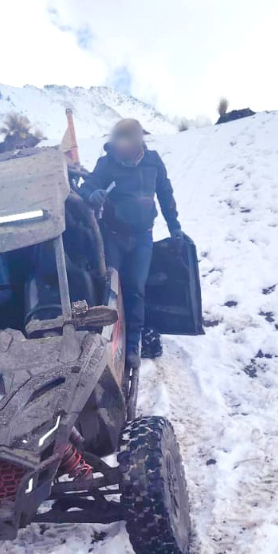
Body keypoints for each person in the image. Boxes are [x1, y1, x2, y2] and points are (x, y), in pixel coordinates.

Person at [78, 118, 184, 368]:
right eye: (119, 141)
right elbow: (87, 188)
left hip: (142, 238)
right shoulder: (106, 164)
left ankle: (132, 347)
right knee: (111, 289)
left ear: (139, 141)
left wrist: (175, 227)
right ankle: (109, 345)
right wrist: (92, 195)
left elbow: (166, 194)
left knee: (136, 287)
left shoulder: (153, 161)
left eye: (128, 141)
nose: (122, 146)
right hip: (113, 236)